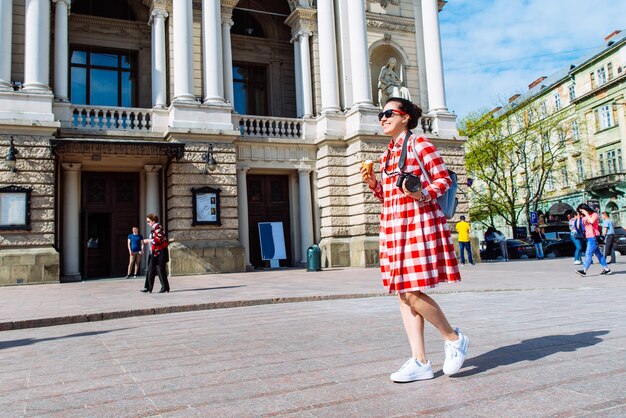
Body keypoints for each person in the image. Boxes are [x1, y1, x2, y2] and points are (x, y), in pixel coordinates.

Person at [360, 97, 468, 383]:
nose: (382, 118)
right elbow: (388, 195)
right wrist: (374, 184)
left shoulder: (420, 145)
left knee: (411, 292)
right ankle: (420, 361)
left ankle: (453, 338)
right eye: (380, 115)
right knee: (403, 293)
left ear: (405, 117)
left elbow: (443, 180)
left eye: (387, 113)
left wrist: (422, 194)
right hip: (394, 226)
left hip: (417, 224)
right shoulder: (387, 154)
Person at [576, 204, 610, 276]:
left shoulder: (594, 214)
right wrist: (579, 216)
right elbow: (578, 226)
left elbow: (591, 221)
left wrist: (586, 214)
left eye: (581, 211)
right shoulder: (584, 217)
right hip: (588, 237)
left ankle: (584, 270)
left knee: (588, 253)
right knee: (598, 254)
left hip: (593, 237)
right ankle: (606, 269)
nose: (581, 212)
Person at [141, 213, 170, 293]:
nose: (147, 223)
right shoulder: (154, 228)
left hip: (159, 252)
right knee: (151, 269)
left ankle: (164, 287)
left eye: (148, 221)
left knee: (160, 269)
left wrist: (148, 240)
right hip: (155, 252)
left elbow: (159, 239)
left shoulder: (158, 227)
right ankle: (148, 287)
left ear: (153, 221)